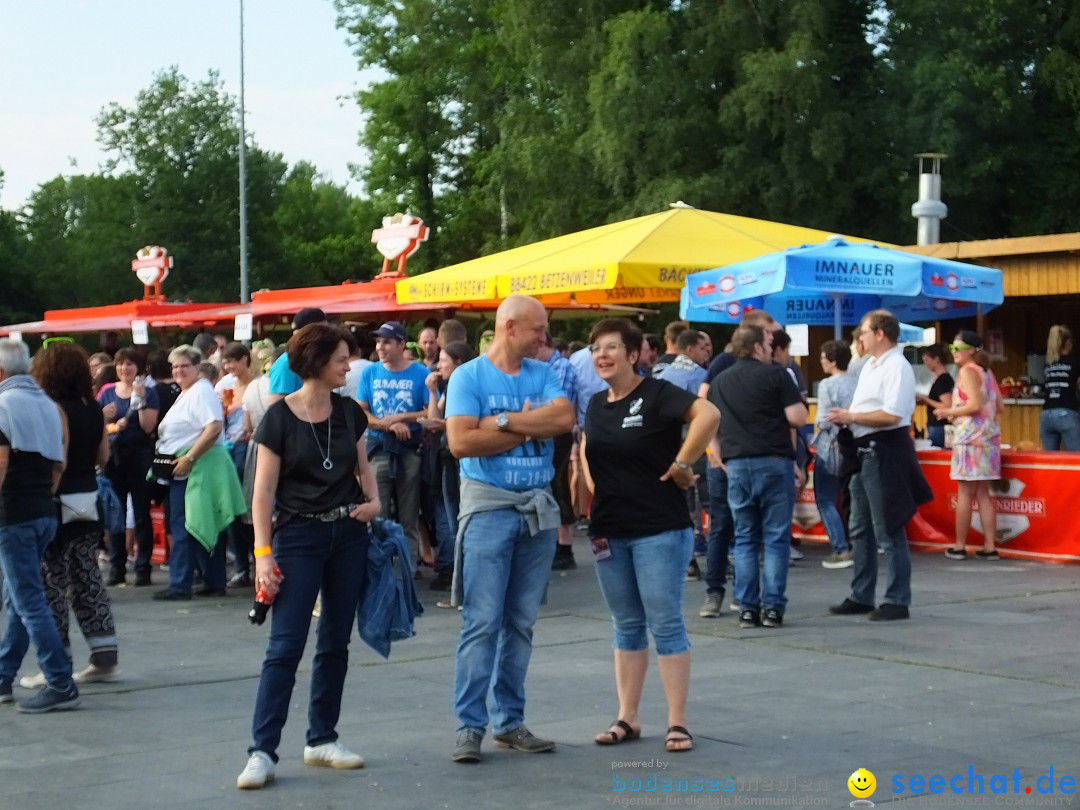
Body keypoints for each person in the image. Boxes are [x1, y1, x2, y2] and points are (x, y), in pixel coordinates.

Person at [236, 323, 381, 790]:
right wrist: (262, 555)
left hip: (348, 533)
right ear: (317, 360)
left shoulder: (349, 413)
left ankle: (322, 738)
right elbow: (262, 492)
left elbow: (364, 467)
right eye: (341, 358)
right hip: (297, 536)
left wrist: (375, 503)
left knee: (336, 641)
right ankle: (262, 750)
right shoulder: (278, 419)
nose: (348, 365)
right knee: (285, 646)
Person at [445, 294, 575, 764]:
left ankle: (508, 721)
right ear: (510, 327)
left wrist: (501, 423)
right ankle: (470, 726)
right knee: (482, 622)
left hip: (536, 513)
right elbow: (461, 441)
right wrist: (530, 427)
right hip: (489, 511)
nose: (545, 338)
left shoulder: (543, 372)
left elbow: (563, 419)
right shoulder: (469, 376)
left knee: (520, 622)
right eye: (538, 329)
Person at [579, 318, 718, 753]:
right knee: (626, 625)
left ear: (635, 353)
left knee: (666, 622)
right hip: (609, 529)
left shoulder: (657, 394)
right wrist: (593, 483)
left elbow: (708, 414)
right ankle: (628, 717)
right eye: (596, 348)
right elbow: (587, 448)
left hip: (659, 527)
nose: (602, 355)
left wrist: (682, 464)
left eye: (612, 347)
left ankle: (678, 722)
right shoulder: (596, 403)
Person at [23, 342, 119, 686]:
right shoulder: (92, 408)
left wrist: (46, 491)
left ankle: (56, 662)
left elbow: (58, 458)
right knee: (87, 578)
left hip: (60, 501)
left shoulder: (54, 408)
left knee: (53, 583)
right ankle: (104, 655)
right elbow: (103, 456)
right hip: (89, 501)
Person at [827, 310, 932, 622]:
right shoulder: (871, 365)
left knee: (888, 526)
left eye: (865, 331)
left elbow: (892, 415)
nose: (860, 337)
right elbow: (873, 409)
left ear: (881, 334)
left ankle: (898, 599)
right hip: (864, 450)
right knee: (860, 526)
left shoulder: (896, 366)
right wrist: (851, 414)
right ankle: (862, 593)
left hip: (883, 449)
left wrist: (851, 417)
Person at [710, 325, 807, 629]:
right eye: (767, 342)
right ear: (756, 348)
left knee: (745, 539)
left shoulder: (720, 381)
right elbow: (797, 418)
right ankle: (773, 608)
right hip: (773, 460)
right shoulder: (777, 374)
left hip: (737, 463)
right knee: (776, 538)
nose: (771, 345)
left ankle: (747, 608)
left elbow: (710, 423)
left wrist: (721, 458)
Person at [0, 338, 78, 713]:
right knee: (19, 597)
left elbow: (0, 462)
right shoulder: (46, 405)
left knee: (27, 598)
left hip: (12, 512)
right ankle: (3, 675)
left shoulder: (2, 403)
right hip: (42, 510)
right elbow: (58, 463)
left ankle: (60, 679)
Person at [152, 346, 246, 601]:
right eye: (174, 367)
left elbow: (214, 427)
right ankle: (213, 581)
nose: (178, 371)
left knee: (186, 524)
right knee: (202, 522)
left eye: (184, 366)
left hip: (197, 467)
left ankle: (180, 584)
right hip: (191, 466)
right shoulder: (191, 392)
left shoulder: (201, 391)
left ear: (196, 367)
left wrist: (190, 457)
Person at [356, 321, 430, 572]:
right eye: (378, 342)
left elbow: (431, 411)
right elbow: (361, 412)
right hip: (378, 450)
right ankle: (381, 567)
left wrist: (402, 418)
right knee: (378, 514)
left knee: (409, 515)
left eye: (386, 342)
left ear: (401, 344)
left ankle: (409, 567)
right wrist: (387, 425)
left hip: (409, 450)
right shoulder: (371, 372)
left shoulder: (419, 373)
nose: (380, 347)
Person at [937, 331, 1002, 561]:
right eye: (952, 348)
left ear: (972, 349)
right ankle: (990, 545)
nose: (954, 353)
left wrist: (949, 411)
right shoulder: (987, 372)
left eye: (958, 348)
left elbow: (973, 405)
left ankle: (960, 544)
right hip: (989, 439)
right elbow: (999, 407)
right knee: (984, 493)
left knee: (965, 492)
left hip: (969, 438)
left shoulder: (967, 371)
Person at [97, 348, 159, 587]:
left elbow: (147, 427)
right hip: (114, 458)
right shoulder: (106, 392)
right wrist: (103, 417)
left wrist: (141, 399)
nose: (125, 369)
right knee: (116, 512)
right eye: (121, 364)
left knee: (142, 513)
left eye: (130, 364)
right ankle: (117, 566)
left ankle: (143, 567)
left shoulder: (149, 392)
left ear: (139, 368)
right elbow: (96, 424)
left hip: (140, 455)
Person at [423, 341, 475, 595]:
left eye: (444, 360)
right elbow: (435, 420)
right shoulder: (449, 386)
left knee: (453, 514)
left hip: (455, 458)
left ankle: (460, 576)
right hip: (444, 456)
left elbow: (436, 423)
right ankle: (456, 572)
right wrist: (432, 392)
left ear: (458, 363)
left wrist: (445, 425)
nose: (438, 364)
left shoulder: (463, 385)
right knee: (447, 512)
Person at [536, 327, 579, 570]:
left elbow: (555, 408)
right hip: (548, 431)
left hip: (559, 433)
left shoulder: (561, 367)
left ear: (543, 345)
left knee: (557, 483)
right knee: (552, 483)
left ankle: (565, 547)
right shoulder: (543, 368)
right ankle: (558, 545)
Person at [814, 339, 858, 569]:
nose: (821, 362)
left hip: (830, 444)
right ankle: (854, 542)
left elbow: (823, 418)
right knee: (851, 496)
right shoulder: (856, 381)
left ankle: (840, 547)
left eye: (823, 359)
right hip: (853, 444)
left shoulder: (827, 385)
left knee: (825, 499)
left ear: (832, 361)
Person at [219, 343, 256, 587]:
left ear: (246, 360)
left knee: (249, 509)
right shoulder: (228, 387)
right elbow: (221, 416)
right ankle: (242, 566)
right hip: (229, 449)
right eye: (226, 362)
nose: (229, 366)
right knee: (233, 509)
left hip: (249, 448)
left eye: (233, 361)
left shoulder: (257, 386)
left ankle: (254, 560)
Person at [268, 308, 330, 403]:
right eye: (324, 330)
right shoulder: (285, 363)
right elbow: (277, 408)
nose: (329, 335)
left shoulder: (319, 359)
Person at [1040, 325, 1080, 451]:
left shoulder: (1048, 364)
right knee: (1076, 460)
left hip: (1046, 415)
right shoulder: (1075, 362)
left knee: (1050, 462)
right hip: (1066, 412)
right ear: (1068, 343)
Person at [917, 344, 954, 449]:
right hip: (937, 425)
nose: (925, 364)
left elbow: (947, 405)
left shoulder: (943, 381)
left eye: (927, 359)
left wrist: (926, 399)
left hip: (939, 426)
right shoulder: (943, 379)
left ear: (936, 359)